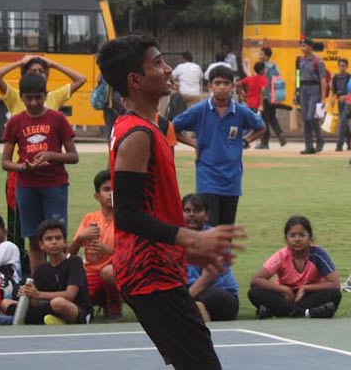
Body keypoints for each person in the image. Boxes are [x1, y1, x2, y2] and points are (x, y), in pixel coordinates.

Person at [99, 34, 244, 370]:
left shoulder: (153, 126)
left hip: (160, 269)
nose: (168, 70)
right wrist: (192, 237)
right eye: (158, 63)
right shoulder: (137, 135)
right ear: (135, 80)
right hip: (149, 274)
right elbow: (127, 214)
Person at [0, 53, 86, 272]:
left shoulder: (57, 119)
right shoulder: (16, 122)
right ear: (21, 97)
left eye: (38, 98)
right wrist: (23, 167)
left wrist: (52, 155)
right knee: (34, 239)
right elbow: (5, 162)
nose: (34, 103)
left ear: (45, 95)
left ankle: (59, 280)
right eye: (28, 98)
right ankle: (38, 285)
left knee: (55, 239)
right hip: (27, 186)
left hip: (54, 185)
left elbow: (74, 156)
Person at [172, 64, 265, 226]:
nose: (222, 87)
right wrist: (193, 142)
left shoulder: (241, 112)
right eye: (217, 83)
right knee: (209, 227)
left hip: (232, 179)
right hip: (207, 178)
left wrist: (246, 141)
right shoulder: (200, 110)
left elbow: (261, 127)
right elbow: (173, 128)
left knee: (226, 230)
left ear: (233, 86)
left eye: (226, 83)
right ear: (210, 86)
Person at [0, 218, 92, 326]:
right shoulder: (41, 269)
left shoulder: (74, 262)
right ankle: (49, 321)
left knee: (58, 302)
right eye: (49, 239)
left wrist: (39, 294)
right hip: (48, 309)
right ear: (41, 245)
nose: (54, 242)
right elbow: (36, 302)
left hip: (74, 309)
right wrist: (27, 294)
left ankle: (14, 320)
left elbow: (70, 295)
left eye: (58, 238)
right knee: (5, 303)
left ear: (64, 243)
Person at [248, 215, 343, 319]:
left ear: (310, 237)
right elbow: (256, 280)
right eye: (292, 235)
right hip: (285, 297)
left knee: (334, 294)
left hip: (308, 296)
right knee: (254, 293)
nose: (297, 239)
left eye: (302, 235)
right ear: (286, 239)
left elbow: (335, 284)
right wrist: (284, 289)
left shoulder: (318, 255)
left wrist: (305, 288)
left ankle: (279, 311)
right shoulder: (281, 256)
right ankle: (307, 313)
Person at [181, 195, 241, 322]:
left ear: (207, 215)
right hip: (188, 291)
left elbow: (207, 278)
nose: (192, 215)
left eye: (197, 211)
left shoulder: (216, 239)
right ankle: (195, 311)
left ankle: (193, 311)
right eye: (187, 211)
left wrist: (183, 302)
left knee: (218, 297)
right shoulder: (176, 237)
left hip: (216, 292)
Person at [70, 169, 120, 320]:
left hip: (116, 274)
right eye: (106, 189)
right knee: (73, 299)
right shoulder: (90, 218)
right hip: (91, 273)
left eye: (114, 189)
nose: (111, 193)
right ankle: (96, 303)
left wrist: (108, 251)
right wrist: (79, 239)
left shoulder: (125, 219)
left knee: (108, 272)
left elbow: (133, 255)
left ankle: (113, 301)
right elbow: (69, 254)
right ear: (97, 196)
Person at [296, 37, 329, 154]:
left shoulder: (318, 61)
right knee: (307, 119)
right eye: (301, 46)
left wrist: (323, 97)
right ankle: (309, 146)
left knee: (311, 117)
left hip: (314, 89)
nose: (302, 48)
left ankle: (320, 139)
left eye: (304, 46)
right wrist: (297, 91)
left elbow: (323, 80)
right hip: (303, 89)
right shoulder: (300, 60)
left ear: (310, 47)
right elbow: (297, 76)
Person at [255, 48, 289, 148]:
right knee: (272, 118)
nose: (259, 55)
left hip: (265, 96)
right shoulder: (274, 66)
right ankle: (280, 134)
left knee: (264, 119)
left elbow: (261, 84)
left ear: (266, 56)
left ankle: (265, 142)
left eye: (261, 54)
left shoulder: (262, 67)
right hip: (274, 96)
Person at [331, 57, 351, 152]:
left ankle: (339, 144)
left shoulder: (350, 77)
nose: (341, 67)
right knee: (345, 123)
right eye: (340, 66)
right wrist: (332, 99)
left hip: (347, 102)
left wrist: (345, 97)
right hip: (339, 102)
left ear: (347, 67)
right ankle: (350, 142)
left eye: (343, 66)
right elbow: (333, 90)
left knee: (343, 122)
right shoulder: (335, 77)